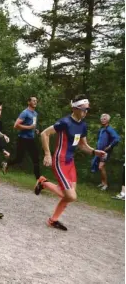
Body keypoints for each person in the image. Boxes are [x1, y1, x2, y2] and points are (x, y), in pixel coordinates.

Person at [35, 95, 107, 231]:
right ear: (75, 108)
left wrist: (93, 152)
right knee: (70, 196)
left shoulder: (83, 125)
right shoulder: (65, 122)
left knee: (69, 196)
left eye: (87, 109)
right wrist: (47, 154)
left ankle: (53, 220)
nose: (86, 112)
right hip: (59, 161)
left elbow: (82, 145)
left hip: (70, 162)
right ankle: (43, 183)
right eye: (84, 109)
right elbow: (44, 134)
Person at [2, 97, 40, 180]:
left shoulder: (35, 114)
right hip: (22, 139)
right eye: (33, 101)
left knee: (36, 158)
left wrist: (35, 129)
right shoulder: (25, 113)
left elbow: (32, 125)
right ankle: (7, 164)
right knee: (19, 159)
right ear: (28, 102)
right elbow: (16, 125)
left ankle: (38, 180)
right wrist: (29, 127)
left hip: (31, 139)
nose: (35, 102)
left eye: (36, 101)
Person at [91, 113, 120, 191]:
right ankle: (103, 182)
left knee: (101, 167)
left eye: (104, 119)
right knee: (100, 167)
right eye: (101, 118)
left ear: (108, 120)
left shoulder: (109, 129)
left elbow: (117, 139)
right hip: (100, 151)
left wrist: (109, 146)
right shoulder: (102, 129)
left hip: (105, 152)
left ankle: (105, 184)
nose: (102, 120)